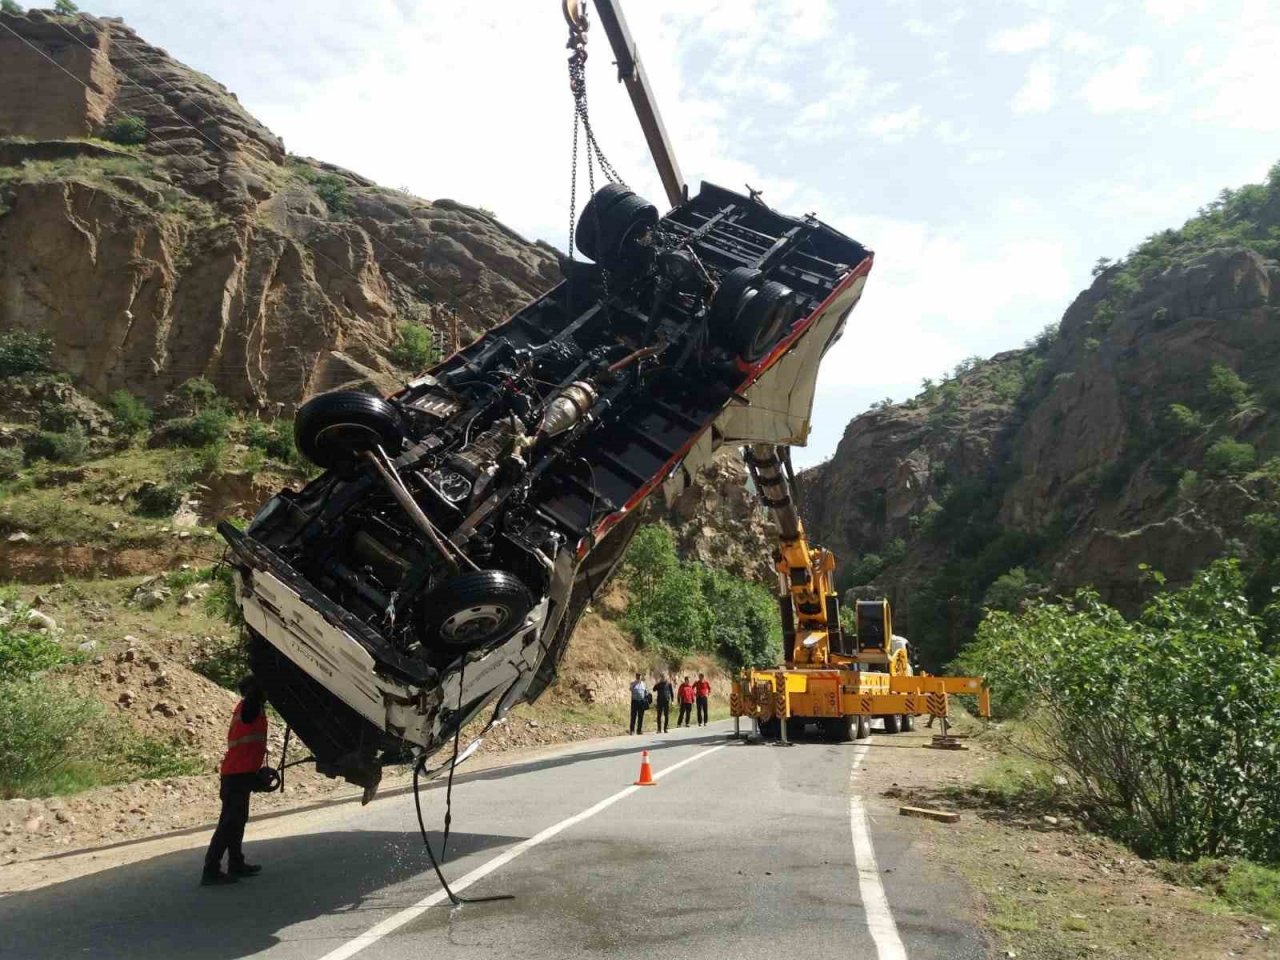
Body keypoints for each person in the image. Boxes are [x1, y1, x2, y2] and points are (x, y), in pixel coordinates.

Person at [203, 675, 268, 886]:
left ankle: (236, 863)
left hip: (240, 773)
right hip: (237, 774)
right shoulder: (249, 708)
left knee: (237, 821)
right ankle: (211, 870)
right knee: (229, 823)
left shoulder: (249, 708)